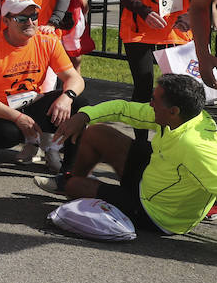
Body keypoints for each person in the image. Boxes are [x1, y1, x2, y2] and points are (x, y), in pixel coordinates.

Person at [35, 74, 217, 234]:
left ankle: (70, 185)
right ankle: (67, 179)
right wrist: (84, 116)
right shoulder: (186, 116)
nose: (150, 103)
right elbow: (124, 109)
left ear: (174, 111)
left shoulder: (195, 147)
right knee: (96, 132)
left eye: (154, 100)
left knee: (75, 187)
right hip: (155, 173)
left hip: (156, 212)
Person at [0, 0, 86, 173]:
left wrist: (67, 97)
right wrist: (17, 117)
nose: (30, 22)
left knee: (80, 104)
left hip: (30, 103)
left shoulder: (47, 41)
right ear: (6, 21)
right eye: (22, 18)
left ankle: (70, 172)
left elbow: (75, 79)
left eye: (33, 17)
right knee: (9, 133)